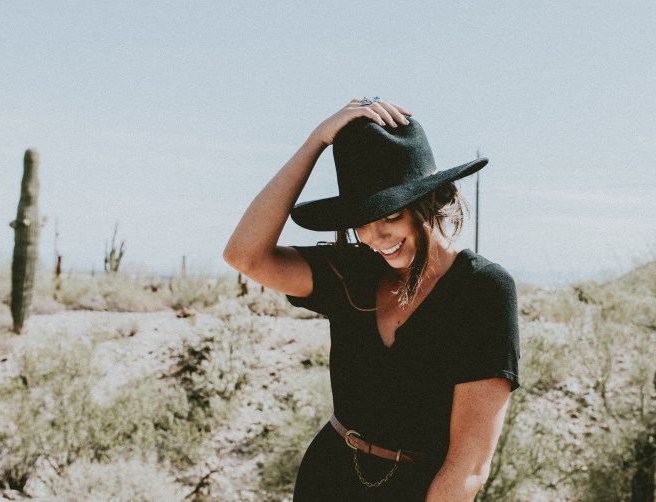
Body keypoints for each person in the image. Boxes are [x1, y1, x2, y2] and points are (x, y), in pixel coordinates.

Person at [223, 97, 520, 501]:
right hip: (326, 477)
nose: (376, 238)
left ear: (431, 200)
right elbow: (244, 255)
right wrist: (316, 141)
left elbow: (468, 466)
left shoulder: (482, 291)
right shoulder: (352, 271)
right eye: (361, 220)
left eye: (391, 216)